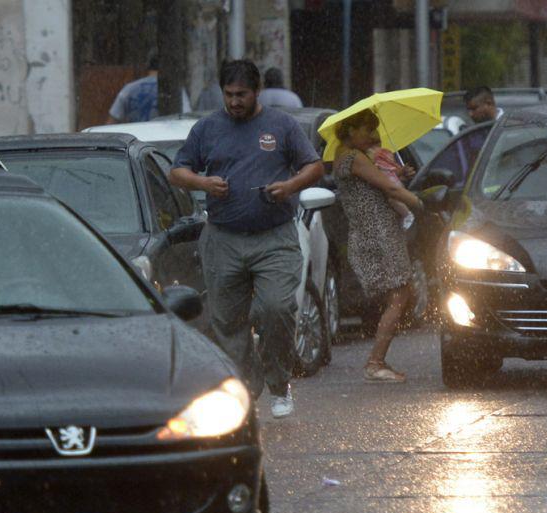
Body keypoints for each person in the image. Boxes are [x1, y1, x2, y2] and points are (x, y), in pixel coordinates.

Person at [168, 60, 324, 418]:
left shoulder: (282, 125)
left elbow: (315, 167)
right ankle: (246, 384)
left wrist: (289, 186)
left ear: (257, 92)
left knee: (277, 308)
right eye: (229, 94)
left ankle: (279, 382)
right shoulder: (207, 128)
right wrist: (204, 183)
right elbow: (177, 171)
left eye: (242, 95)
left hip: (275, 237)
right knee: (227, 321)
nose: (235, 101)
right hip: (223, 237)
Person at [332, 109, 423, 382]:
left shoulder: (354, 156)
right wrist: (418, 202)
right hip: (377, 235)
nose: (373, 136)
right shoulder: (352, 158)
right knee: (400, 294)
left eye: (374, 130)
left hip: (377, 233)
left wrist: (398, 174)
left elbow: (383, 184)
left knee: (399, 294)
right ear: (349, 131)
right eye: (366, 130)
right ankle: (376, 362)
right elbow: (391, 190)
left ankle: (378, 359)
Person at [106, 54, 190, 124]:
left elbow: (111, 121)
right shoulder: (175, 90)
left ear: (148, 66)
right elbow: (187, 118)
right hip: (164, 140)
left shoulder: (129, 89)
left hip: (135, 140)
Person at [365, 141, 415, 227]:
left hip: (392, 187)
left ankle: (407, 215)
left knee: (393, 199)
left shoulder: (381, 159)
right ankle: (407, 215)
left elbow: (392, 171)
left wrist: (402, 173)